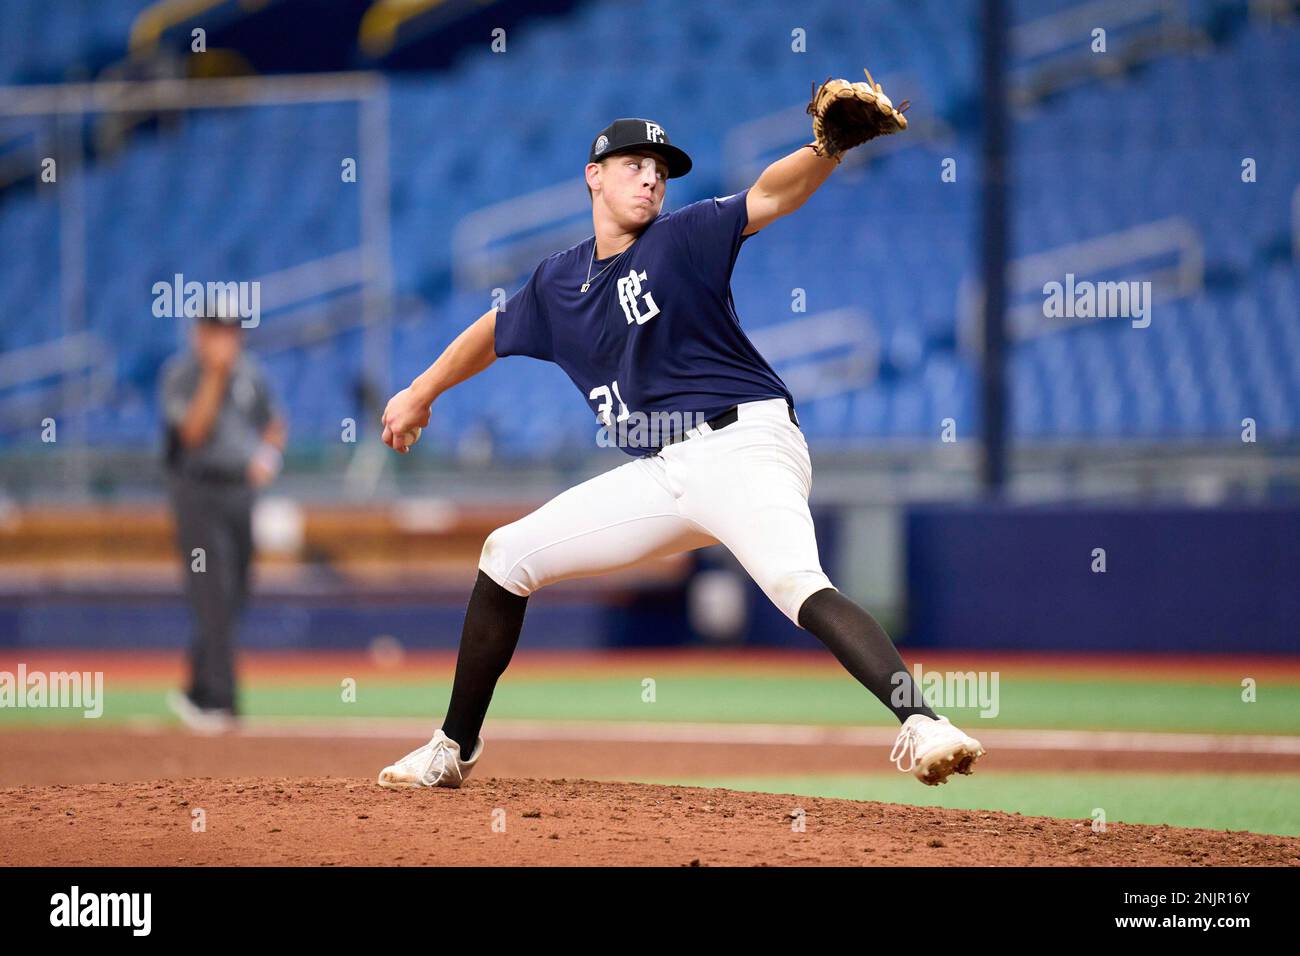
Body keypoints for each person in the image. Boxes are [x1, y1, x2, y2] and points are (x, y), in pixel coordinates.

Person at [376, 115, 985, 789]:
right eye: (636, 164)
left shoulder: (681, 240)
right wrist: (421, 390)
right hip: (666, 471)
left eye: (660, 171)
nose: (652, 177)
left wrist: (828, 148)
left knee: (795, 584)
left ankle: (924, 722)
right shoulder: (558, 283)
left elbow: (773, 196)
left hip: (746, 444)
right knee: (505, 555)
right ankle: (452, 748)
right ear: (594, 176)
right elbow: (492, 331)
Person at [159, 309, 285, 732]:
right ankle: (219, 700)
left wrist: (267, 457)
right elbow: (192, 432)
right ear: (200, 334)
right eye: (217, 330)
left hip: (239, 493)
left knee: (236, 590)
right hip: (197, 492)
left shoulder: (252, 374)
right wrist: (214, 374)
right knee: (211, 590)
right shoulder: (181, 374)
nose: (226, 339)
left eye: (232, 330)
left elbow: (274, 423)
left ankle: (197, 689)